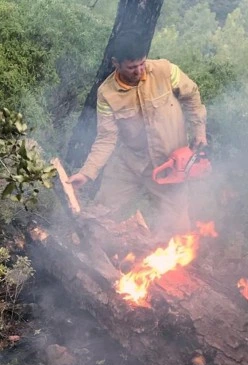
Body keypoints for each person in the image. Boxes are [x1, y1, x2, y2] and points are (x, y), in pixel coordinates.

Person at [68, 31, 208, 233]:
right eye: (132, 67)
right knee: (100, 214)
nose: (140, 70)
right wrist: (87, 173)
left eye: (142, 63)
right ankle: (89, 255)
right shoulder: (107, 94)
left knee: (179, 230)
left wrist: (199, 131)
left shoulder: (166, 70)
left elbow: (192, 97)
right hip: (129, 164)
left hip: (169, 165)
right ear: (116, 63)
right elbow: (106, 139)